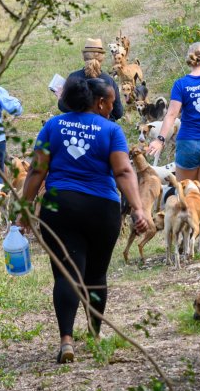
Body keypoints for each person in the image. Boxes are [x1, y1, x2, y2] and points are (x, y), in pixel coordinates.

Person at [19, 77, 148, 363]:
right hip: (102, 208)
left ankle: (66, 341)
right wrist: (138, 209)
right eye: (112, 103)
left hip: (60, 205)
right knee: (96, 274)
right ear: (99, 102)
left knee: (67, 273)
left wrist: (24, 209)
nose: (113, 108)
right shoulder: (112, 130)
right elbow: (124, 173)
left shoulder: (53, 125)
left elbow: (37, 171)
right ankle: (95, 332)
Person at [147, 42, 200, 241]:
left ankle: (185, 239)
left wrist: (160, 139)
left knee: (184, 192)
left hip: (188, 143)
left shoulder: (181, 84)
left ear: (191, 60)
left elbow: (172, 114)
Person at [57, 38, 124, 122]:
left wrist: (60, 98)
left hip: (78, 127)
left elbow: (64, 107)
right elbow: (118, 113)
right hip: (102, 128)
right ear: (102, 57)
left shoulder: (73, 77)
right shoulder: (109, 81)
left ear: (84, 56)